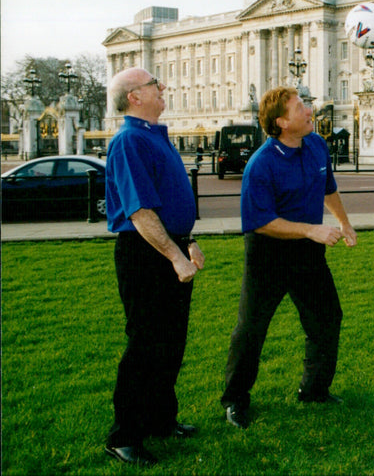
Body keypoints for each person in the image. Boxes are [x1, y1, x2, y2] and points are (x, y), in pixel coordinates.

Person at [221, 86, 357, 429]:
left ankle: (314, 390)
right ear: (281, 122)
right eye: (300, 108)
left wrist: (344, 223)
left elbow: (328, 188)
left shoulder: (317, 145)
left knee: (327, 317)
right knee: (251, 328)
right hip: (268, 251)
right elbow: (260, 221)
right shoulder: (261, 164)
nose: (309, 111)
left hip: (307, 250)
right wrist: (311, 230)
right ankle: (235, 400)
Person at [104, 67, 205, 466]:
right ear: (135, 97)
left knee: (171, 342)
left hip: (169, 246)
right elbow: (140, 210)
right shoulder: (129, 141)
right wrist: (175, 256)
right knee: (146, 344)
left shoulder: (153, 136)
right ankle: (124, 435)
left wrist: (187, 243)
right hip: (145, 253)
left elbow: (168, 201)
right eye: (153, 85)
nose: (162, 88)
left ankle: (162, 419)